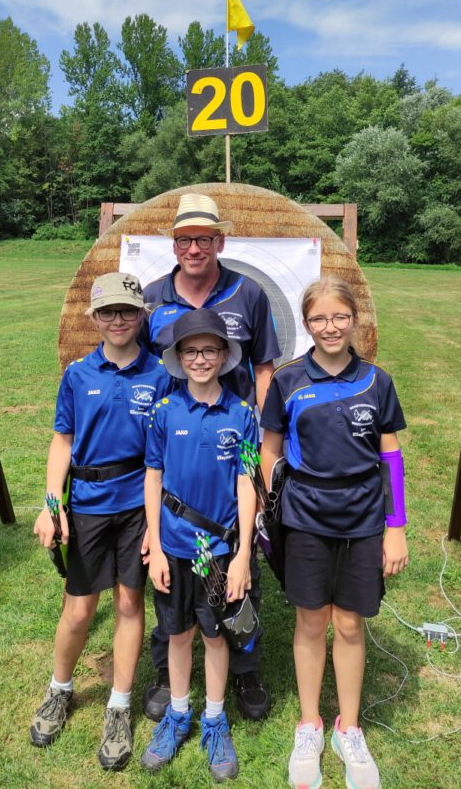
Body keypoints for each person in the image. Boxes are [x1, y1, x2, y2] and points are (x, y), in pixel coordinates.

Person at [260, 276, 409, 789]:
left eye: (340, 317)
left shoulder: (376, 380)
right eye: (319, 319)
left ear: (354, 320)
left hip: (365, 519)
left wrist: (397, 528)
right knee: (310, 622)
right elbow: (270, 450)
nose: (330, 327)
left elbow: (390, 456)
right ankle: (309, 726)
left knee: (348, 624)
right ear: (306, 324)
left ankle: (349, 729)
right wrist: (268, 509)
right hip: (305, 518)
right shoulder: (287, 380)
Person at [142, 192, 280, 721]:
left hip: (233, 445)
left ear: (220, 241)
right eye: (184, 239)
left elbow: (264, 370)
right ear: (173, 244)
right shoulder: (153, 297)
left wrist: (265, 451)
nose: (194, 248)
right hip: (167, 445)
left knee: (236, 569)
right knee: (170, 572)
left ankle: (245, 673)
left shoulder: (250, 294)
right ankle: (165, 669)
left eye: (204, 238)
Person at [30, 272, 172, 771]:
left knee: (131, 603)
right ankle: (59, 689)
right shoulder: (78, 374)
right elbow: (62, 442)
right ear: (94, 318)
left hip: (137, 504)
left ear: (142, 316)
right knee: (79, 609)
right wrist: (53, 504)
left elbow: (166, 452)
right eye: (107, 312)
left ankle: (118, 706)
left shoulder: (161, 376)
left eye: (127, 311)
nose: (117, 320)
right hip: (88, 504)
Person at [141, 309, 257, 781]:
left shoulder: (243, 415)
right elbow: (153, 476)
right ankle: (178, 714)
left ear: (225, 356)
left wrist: (244, 553)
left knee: (214, 634)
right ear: (178, 357)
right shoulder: (164, 412)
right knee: (178, 633)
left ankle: (214, 719)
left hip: (220, 554)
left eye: (210, 350)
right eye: (191, 351)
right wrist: (154, 539)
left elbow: (248, 482)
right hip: (172, 545)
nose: (201, 359)